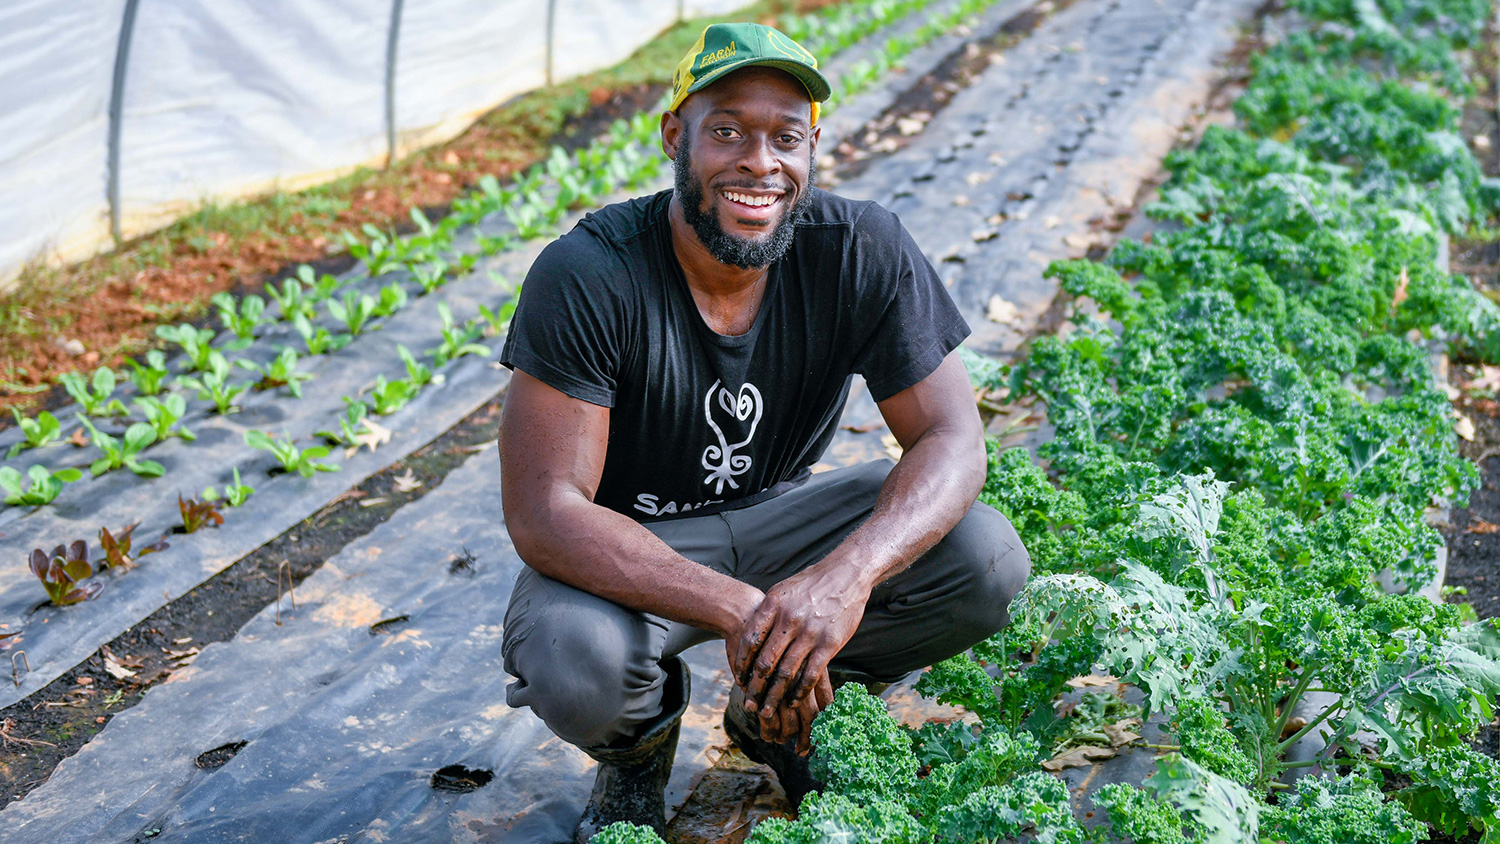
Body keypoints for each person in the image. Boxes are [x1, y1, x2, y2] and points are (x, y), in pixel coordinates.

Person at [497, 22, 1031, 842]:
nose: (759, 162)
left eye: (786, 137)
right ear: (675, 135)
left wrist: (843, 581)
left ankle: (782, 705)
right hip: (631, 541)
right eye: (727, 131)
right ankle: (637, 757)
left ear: (813, 147)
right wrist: (739, 609)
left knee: (986, 558)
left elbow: (954, 441)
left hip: (784, 520)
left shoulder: (859, 248)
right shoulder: (591, 274)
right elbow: (547, 511)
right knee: (578, 661)